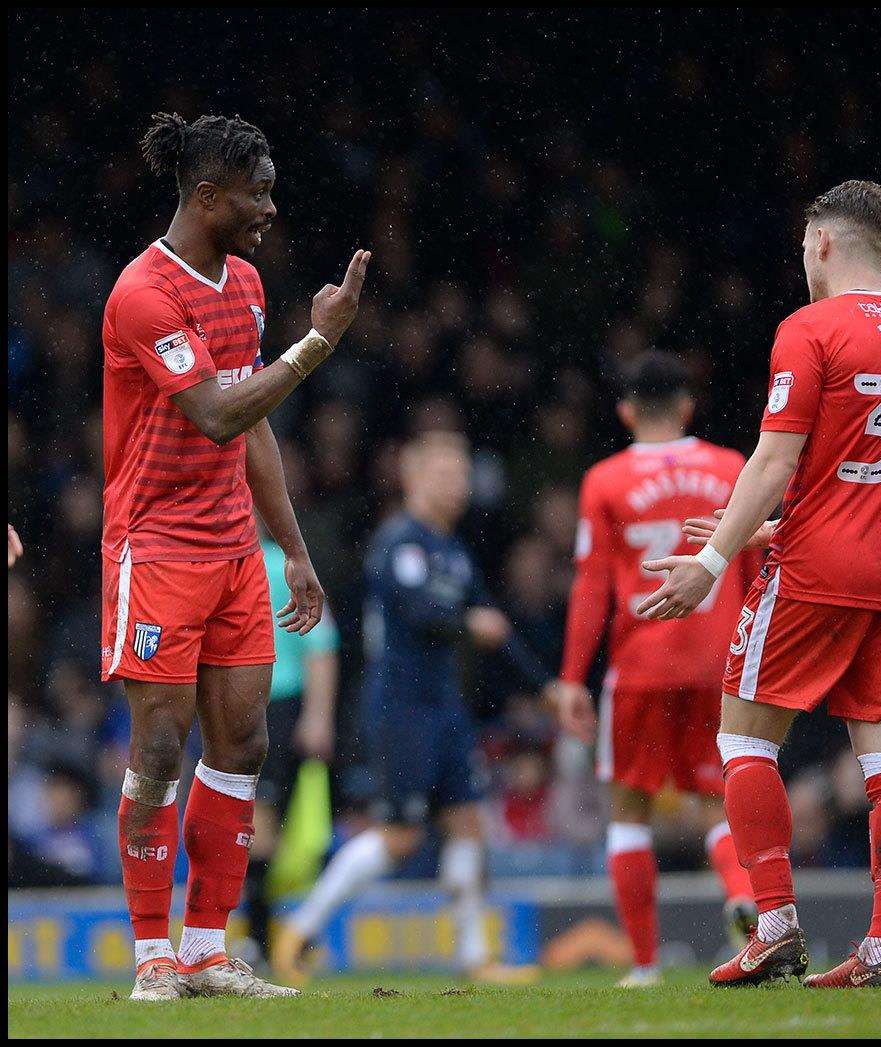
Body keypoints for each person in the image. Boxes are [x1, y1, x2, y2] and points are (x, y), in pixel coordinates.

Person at [639, 181, 881, 988]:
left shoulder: (810, 327)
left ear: (821, 243)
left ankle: (775, 925)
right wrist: (768, 526)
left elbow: (777, 460)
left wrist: (715, 561)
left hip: (819, 575)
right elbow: (873, 480)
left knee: (745, 736)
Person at [101, 112, 370, 1001]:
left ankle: (208, 950)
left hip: (230, 546)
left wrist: (292, 549)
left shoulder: (247, 282)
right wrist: (319, 341)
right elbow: (214, 410)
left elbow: (250, 425)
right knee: (158, 747)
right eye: (255, 192)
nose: (269, 206)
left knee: (246, 741)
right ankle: (151, 955)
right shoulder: (144, 292)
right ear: (207, 196)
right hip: (158, 545)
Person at [273, 431, 549, 985]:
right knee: (401, 836)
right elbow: (417, 609)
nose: (456, 484)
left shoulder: (454, 551)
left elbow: (493, 626)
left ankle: (476, 958)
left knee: (468, 823)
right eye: (444, 474)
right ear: (413, 478)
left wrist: (547, 687)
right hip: (401, 706)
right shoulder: (398, 543)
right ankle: (298, 932)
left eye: (462, 474)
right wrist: (467, 624)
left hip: (444, 706)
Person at [551, 351, 759, 988]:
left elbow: (591, 587)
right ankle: (743, 894)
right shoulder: (733, 468)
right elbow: (755, 571)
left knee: (630, 811)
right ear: (689, 406)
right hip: (719, 660)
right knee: (724, 800)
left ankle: (644, 965)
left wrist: (570, 678)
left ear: (626, 411)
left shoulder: (605, 480)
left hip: (641, 665)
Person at [241, 528, 341, 965]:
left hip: (277, 703)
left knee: (271, 824)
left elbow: (320, 643)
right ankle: (273, 937)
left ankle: (273, 939)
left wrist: (317, 715)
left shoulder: (281, 563)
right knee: (249, 823)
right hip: (237, 702)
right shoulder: (220, 561)